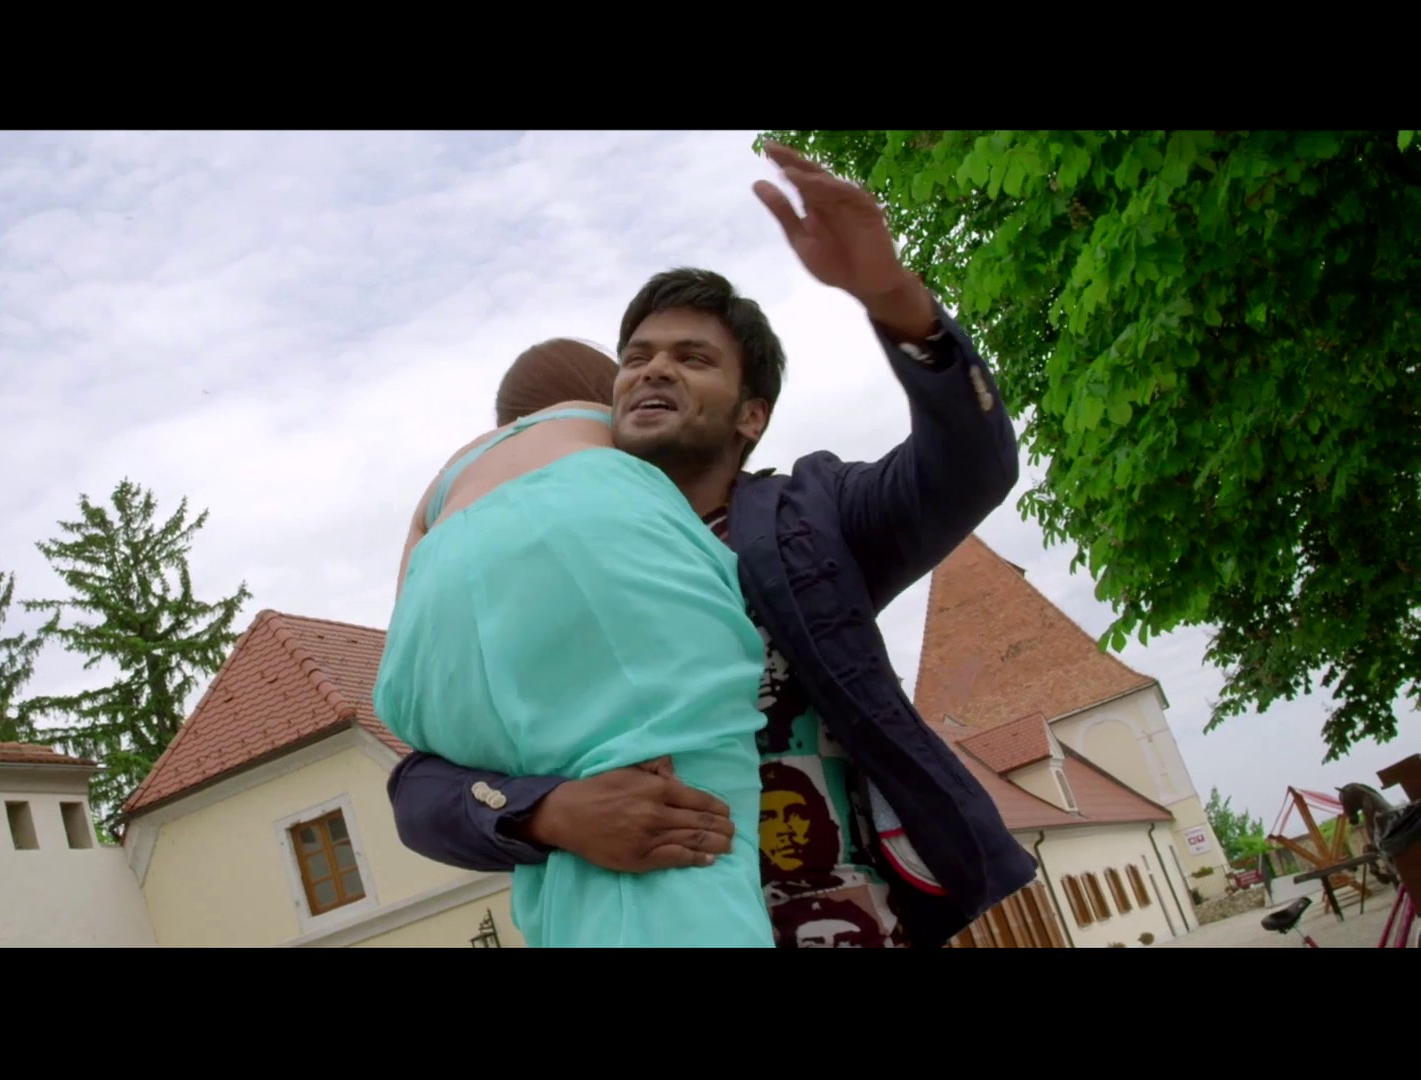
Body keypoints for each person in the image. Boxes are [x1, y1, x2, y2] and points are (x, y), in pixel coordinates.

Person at [387, 143, 1040, 948]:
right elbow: (419, 788)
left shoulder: (815, 516)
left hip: (854, 924)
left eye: (692, 358)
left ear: (750, 414)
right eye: (636, 358)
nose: (652, 370)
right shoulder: (538, 573)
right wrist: (548, 812)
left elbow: (969, 466)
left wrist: (893, 298)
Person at [372, 338, 774, 947]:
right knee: (693, 810)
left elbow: (412, 616)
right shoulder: (608, 445)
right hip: (588, 559)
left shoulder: (460, 470)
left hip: (432, 641)